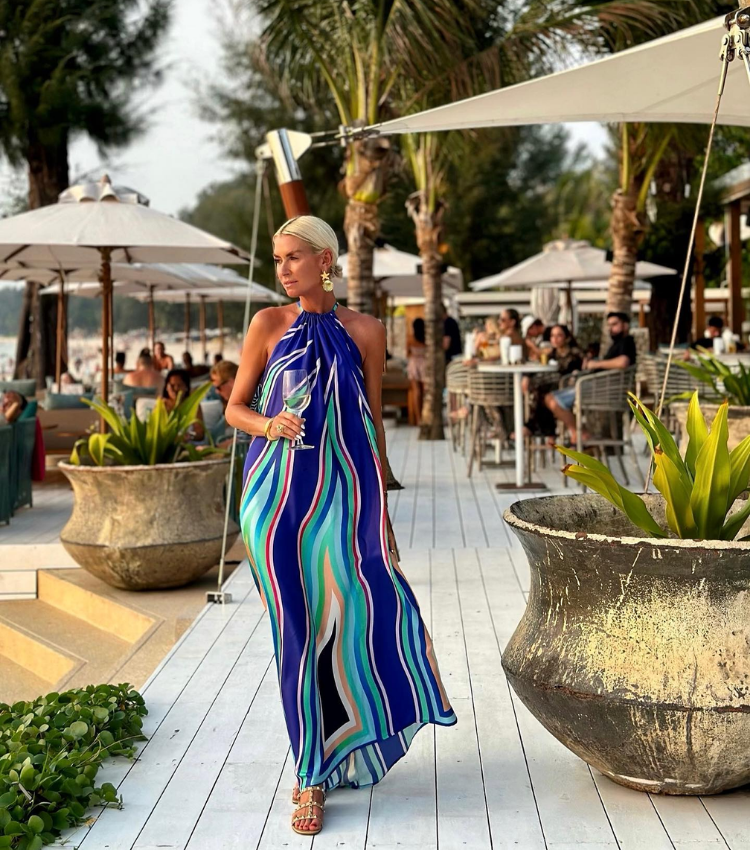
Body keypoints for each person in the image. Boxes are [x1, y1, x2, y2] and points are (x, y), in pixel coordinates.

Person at [225, 215, 456, 837]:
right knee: (296, 633)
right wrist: (269, 424)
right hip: (275, 501)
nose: (282, 269)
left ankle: (352, 737)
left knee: (361, 615)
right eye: (277, 259)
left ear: (324, 260)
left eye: (293, 257)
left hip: (346, 501)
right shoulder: (267, 325)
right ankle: (309, 774)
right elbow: (234, 408)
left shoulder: (367, 331)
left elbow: (372, 424)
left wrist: (383, 513)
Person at [545, 311, 636, 444]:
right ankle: (579, 433)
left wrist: (596, 364)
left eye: (615, 324)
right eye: (609, 325)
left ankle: (580, 433)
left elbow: (623, 362)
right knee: (549, 397)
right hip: (597, 387)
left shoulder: (626, 342)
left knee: (552, 400)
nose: (611, 328)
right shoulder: (617, 343)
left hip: (602, 390)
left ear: (626, 325)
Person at [162, 368, 204, 440]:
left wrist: (188, 436)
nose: (176, 389)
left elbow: (200, 433)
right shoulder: (162, 405)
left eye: (179, 385)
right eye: (172, 385)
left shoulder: (193, 405)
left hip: (188, 443)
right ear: (166, 387)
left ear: (186, 387)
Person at [406, 317, 427, 425]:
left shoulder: (410, 338)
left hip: (414, 364)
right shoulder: (426, 338)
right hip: (425, 364)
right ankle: (425, 416)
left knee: (416, 392)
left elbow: (407, 353)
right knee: (424, 392)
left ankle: (418, 419)